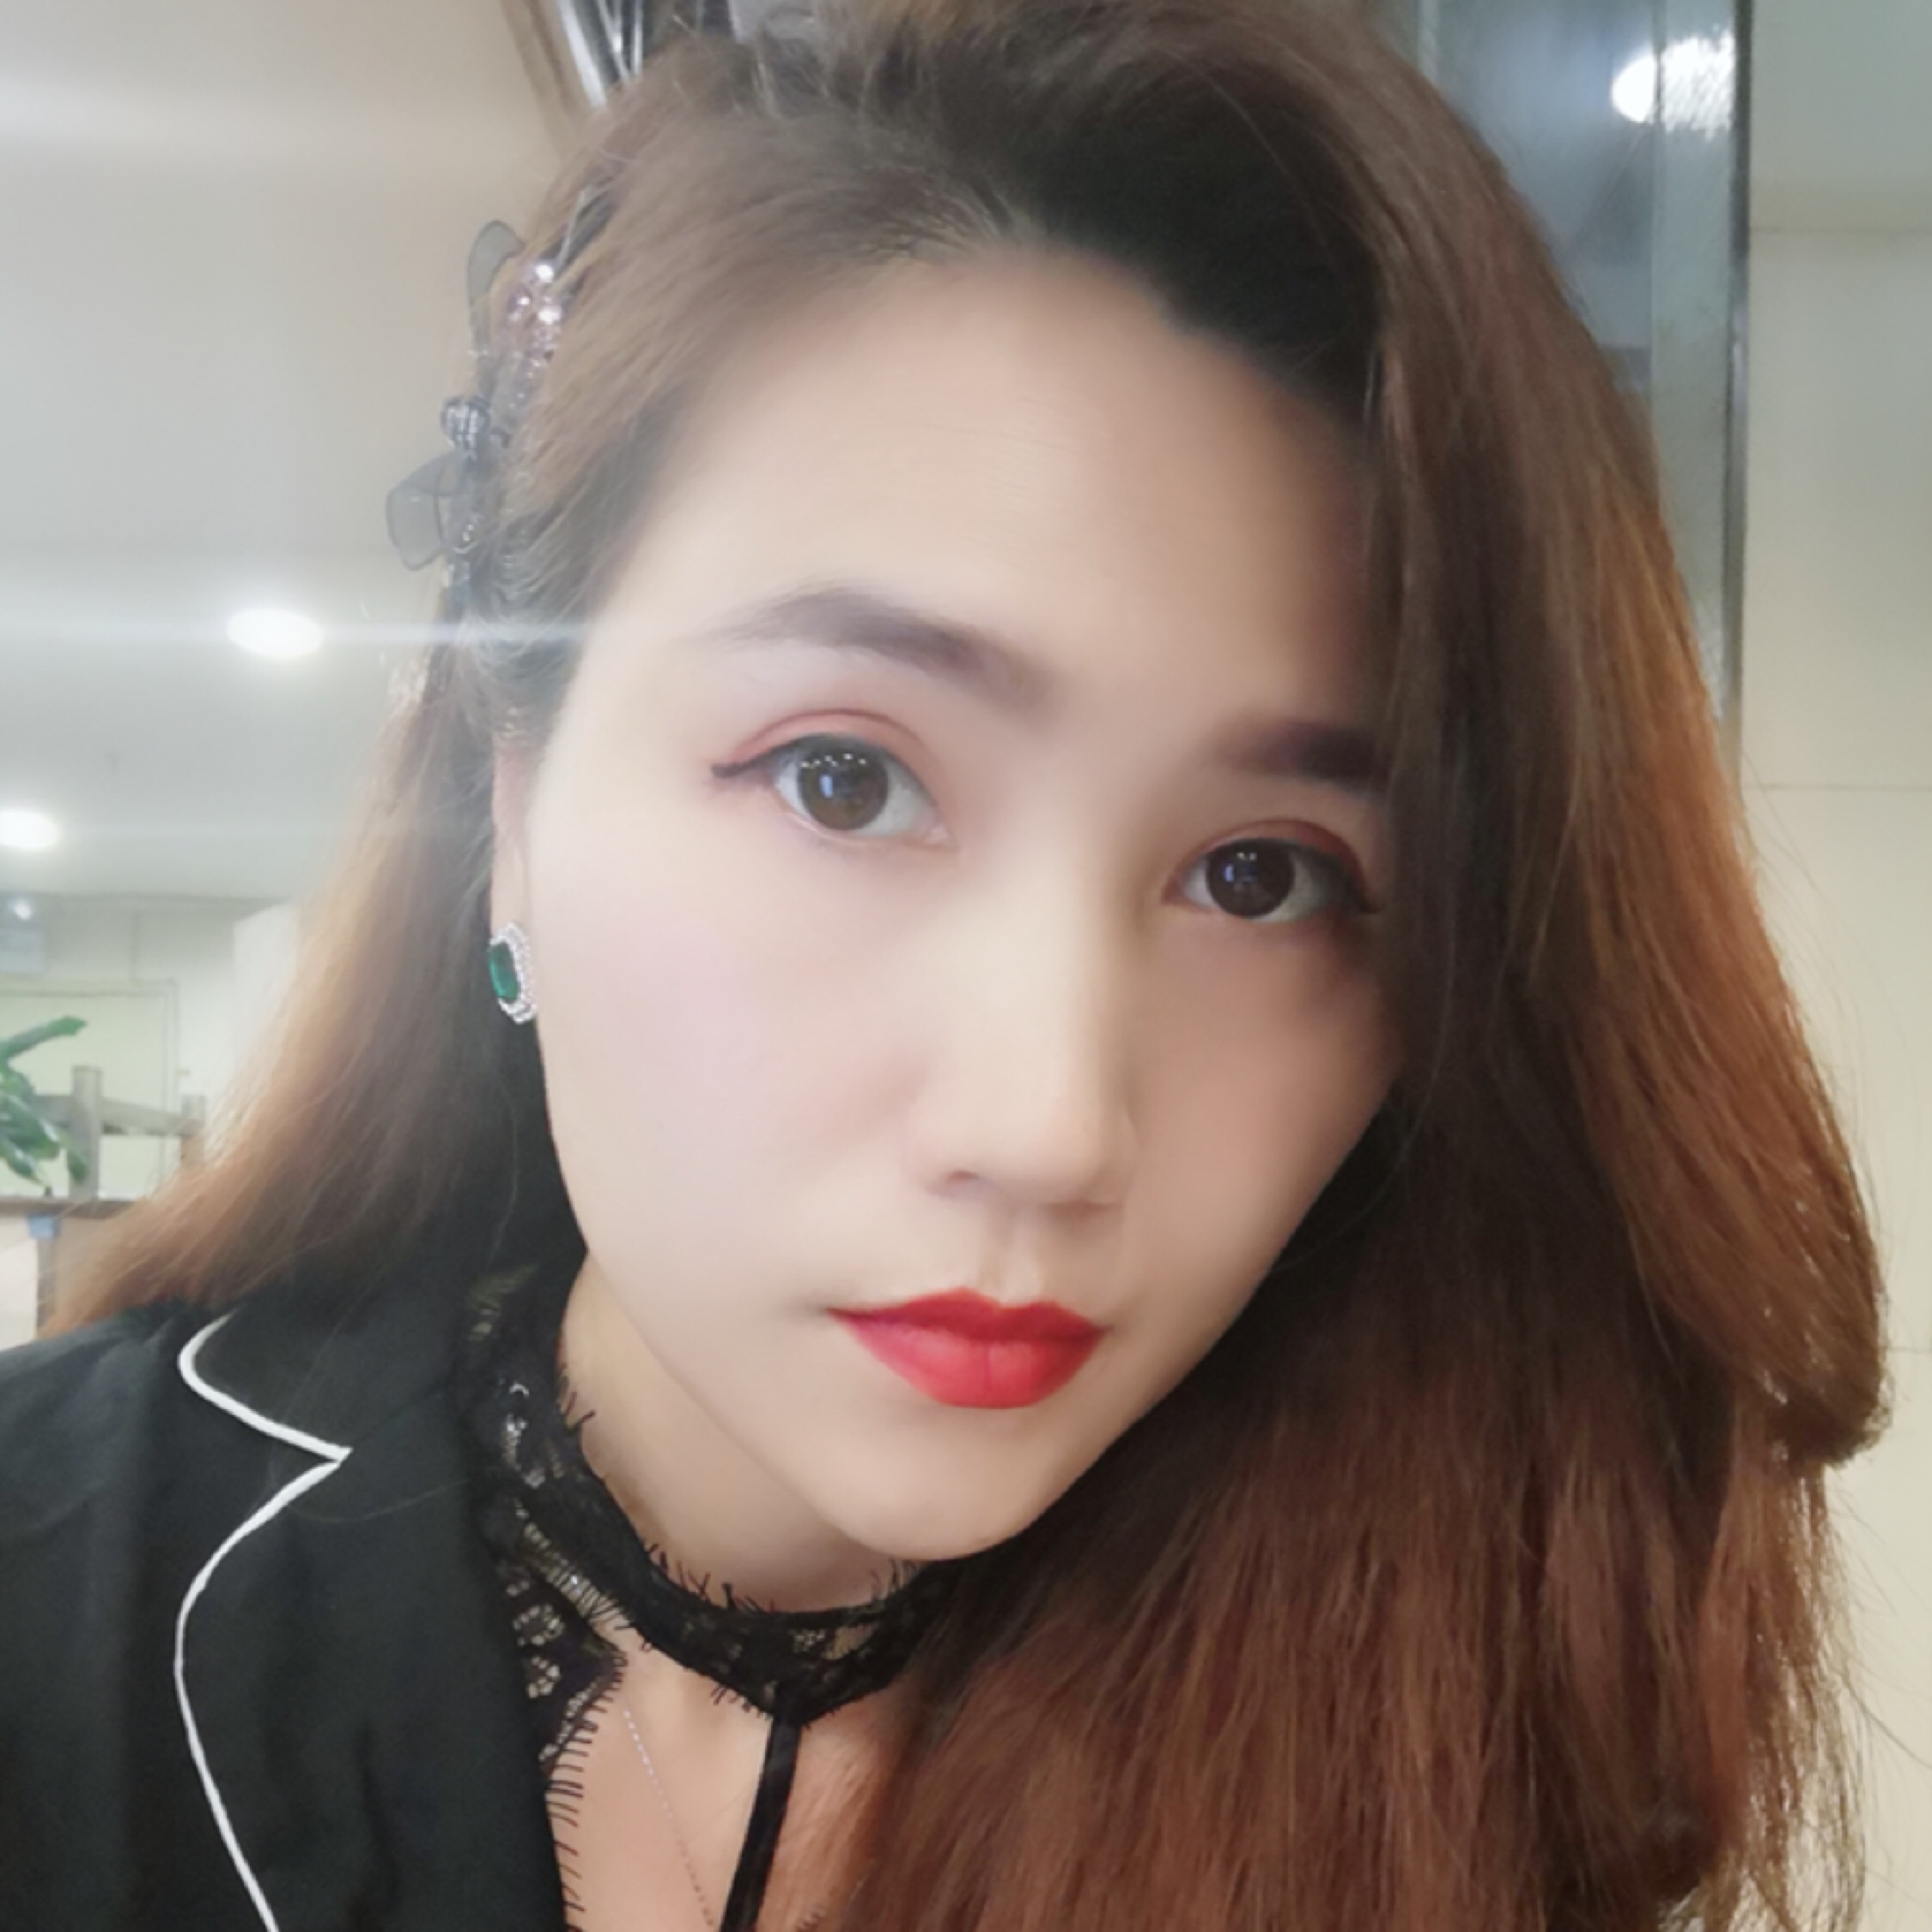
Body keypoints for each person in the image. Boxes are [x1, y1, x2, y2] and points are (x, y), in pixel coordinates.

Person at [0, 1, 1886, 1928]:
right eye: (844, 778)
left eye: (1260, 876)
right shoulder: (54, 1591)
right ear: (512, 801)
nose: (1049, 1124)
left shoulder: (1475, 1706)